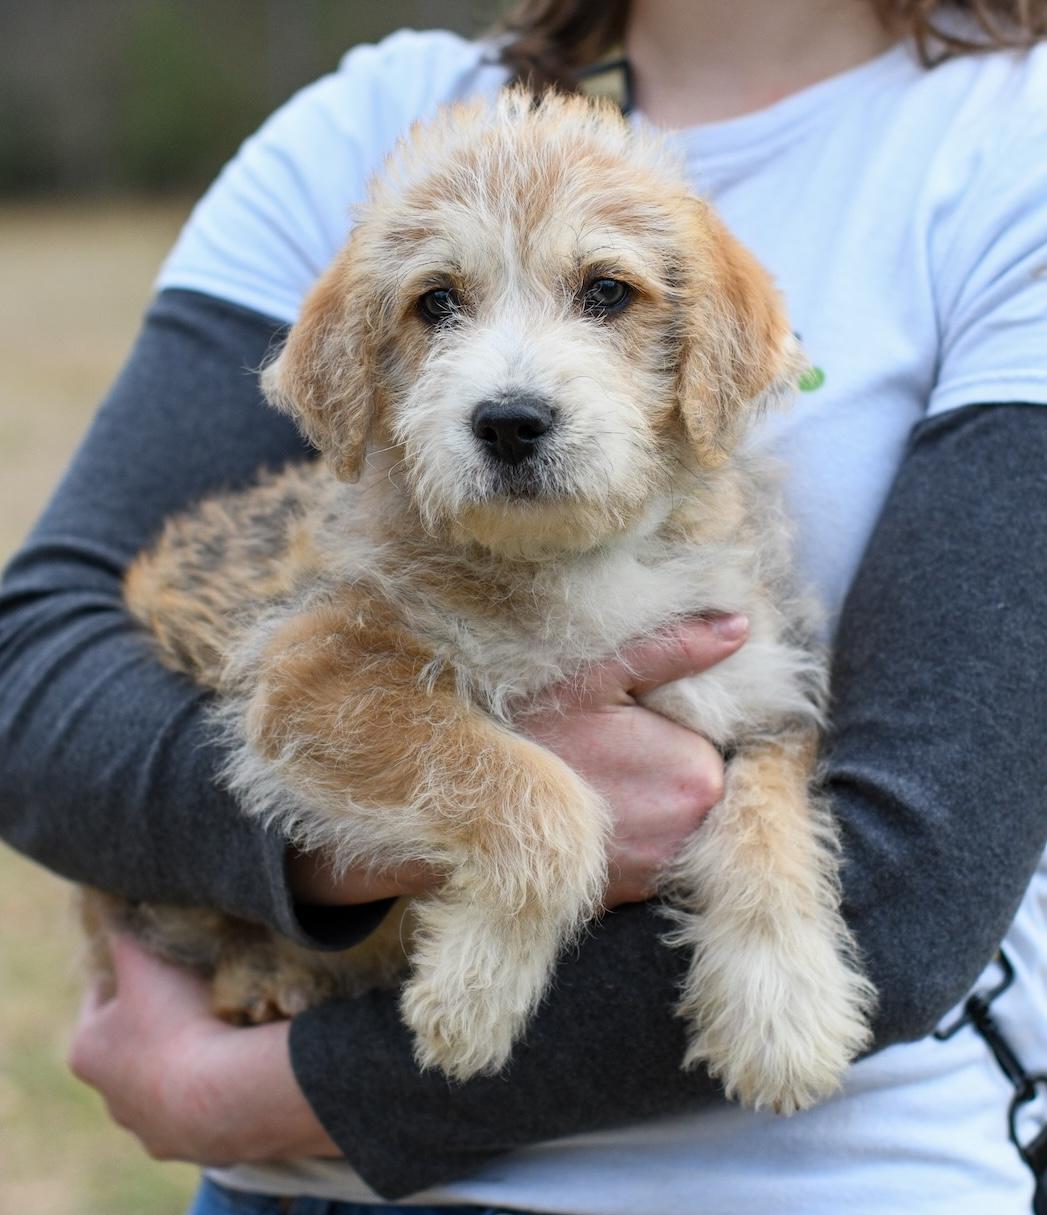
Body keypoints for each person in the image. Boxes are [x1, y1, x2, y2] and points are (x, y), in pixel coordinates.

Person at [2, 0, 1047, 1211]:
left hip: (816, 1179)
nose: (510, 388)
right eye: (440, 307)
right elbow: (40, 678)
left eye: (604, 294)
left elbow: (910, 888)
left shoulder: (1010, 141)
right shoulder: (371, 121)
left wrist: (288, 1089)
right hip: (299, 1194)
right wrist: (445, 833)